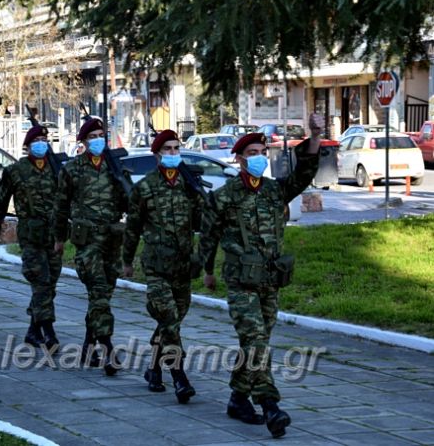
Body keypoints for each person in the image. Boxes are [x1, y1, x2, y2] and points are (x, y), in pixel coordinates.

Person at [197, 118, 322, 438]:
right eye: (252, 152)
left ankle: (238, 399)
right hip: (241, 282)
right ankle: (269, 405)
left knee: (257, 343)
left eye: (262, 151)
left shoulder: (273, 191)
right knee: (255, 341)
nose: (258, 157)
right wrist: (208, 271)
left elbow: (304, 175)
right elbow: (208, 237)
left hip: (270, 281)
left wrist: (315, 136)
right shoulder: (224, 197)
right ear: (238, 159)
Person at [122, 129, 203, 404]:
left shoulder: (188, 185)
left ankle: (154, 368)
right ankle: (179, 377)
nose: (172, 153)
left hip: (182, 266)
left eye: (175, 148)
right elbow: (132, 228)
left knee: (173, 322)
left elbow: (205, 219)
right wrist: (127, 261)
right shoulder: (145, 188)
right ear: (157, 154)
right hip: (156, 267)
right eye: (167, 149)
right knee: (169, 320)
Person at [53, 118, 128, 375]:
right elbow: (61, 207)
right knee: (98, 292)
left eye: (102, 135)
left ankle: (88, 344)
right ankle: (106, 348)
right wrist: (59, 238)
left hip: (112, 240)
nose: (99, 139)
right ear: (83, 142)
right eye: (93, 136)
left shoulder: (115, 167)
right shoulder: (72, 170)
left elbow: (130, 201)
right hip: (87, 243)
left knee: (103, 296)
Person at [0, 125, 61, 349]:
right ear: (28, 145)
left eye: (45, 139)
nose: (42, 143)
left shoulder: (55, 168)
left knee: (49, 284)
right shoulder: (16, 170)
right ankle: (49, 332)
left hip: (53, 235)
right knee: (40, 281)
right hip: (31, 235)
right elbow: (1, 200)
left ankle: (33, 331)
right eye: (37, 140)